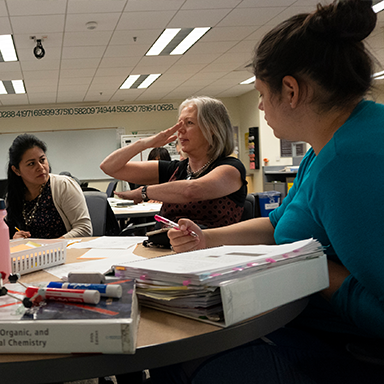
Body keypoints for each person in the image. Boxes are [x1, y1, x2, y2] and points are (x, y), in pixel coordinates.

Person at [150, 1, 384, 383]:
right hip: (300, 320)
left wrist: (306, 264)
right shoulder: (327, 147)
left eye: (261, 93)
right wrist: (205, 238)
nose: (259, 105)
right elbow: (277, 225)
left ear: (291, 91)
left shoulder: (349, 160)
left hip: (347, 351)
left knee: (178, 359)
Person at [100, 96, 248, 230]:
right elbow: (109, 167)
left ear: (212, 129)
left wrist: (143, 192)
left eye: (189, 123)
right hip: (167, 248)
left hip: (212, 253)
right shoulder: (175, 169)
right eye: (179, 124)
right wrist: (144, 144)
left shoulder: (231, 168)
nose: (180, 130)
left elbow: (192, 191)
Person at [6, 134, 92, 239]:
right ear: (16, 170)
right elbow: (10, 230)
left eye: (42, 160)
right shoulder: (13, 196)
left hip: (64, 252)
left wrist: (52, 246)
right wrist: (16, 238)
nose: (40, 167)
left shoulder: (63, 186)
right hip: (30, 253)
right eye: (31, 164)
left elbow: (84, 228)